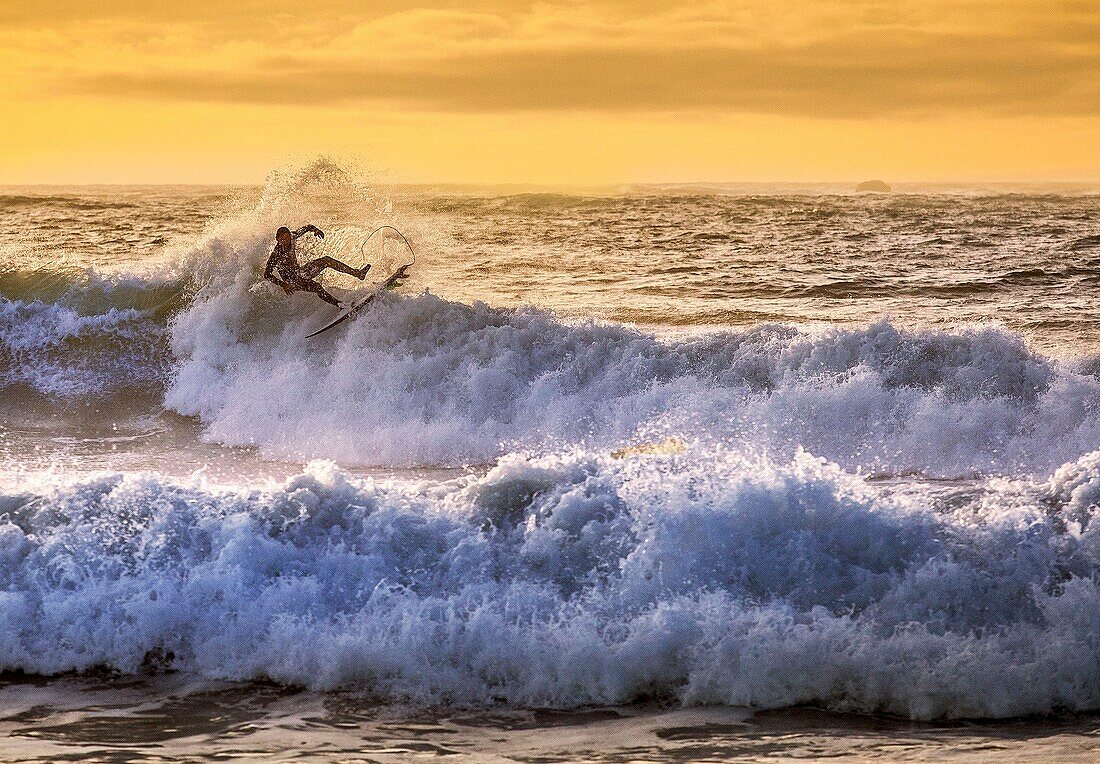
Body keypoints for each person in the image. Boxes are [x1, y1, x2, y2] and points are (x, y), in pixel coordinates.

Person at [263, 225, 369, 307]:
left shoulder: (293, 236)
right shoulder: (276, 254)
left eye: (287, 238)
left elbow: (307, 227)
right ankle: (341, 304)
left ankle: (357, 275)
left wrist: (315, 229)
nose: (285, 242)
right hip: (291, 281)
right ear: (277, 239)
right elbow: (267, 274)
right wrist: (283, 285)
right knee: (322, 271)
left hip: (299, 273)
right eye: (282, 240)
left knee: (319, 280)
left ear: (290, 236)